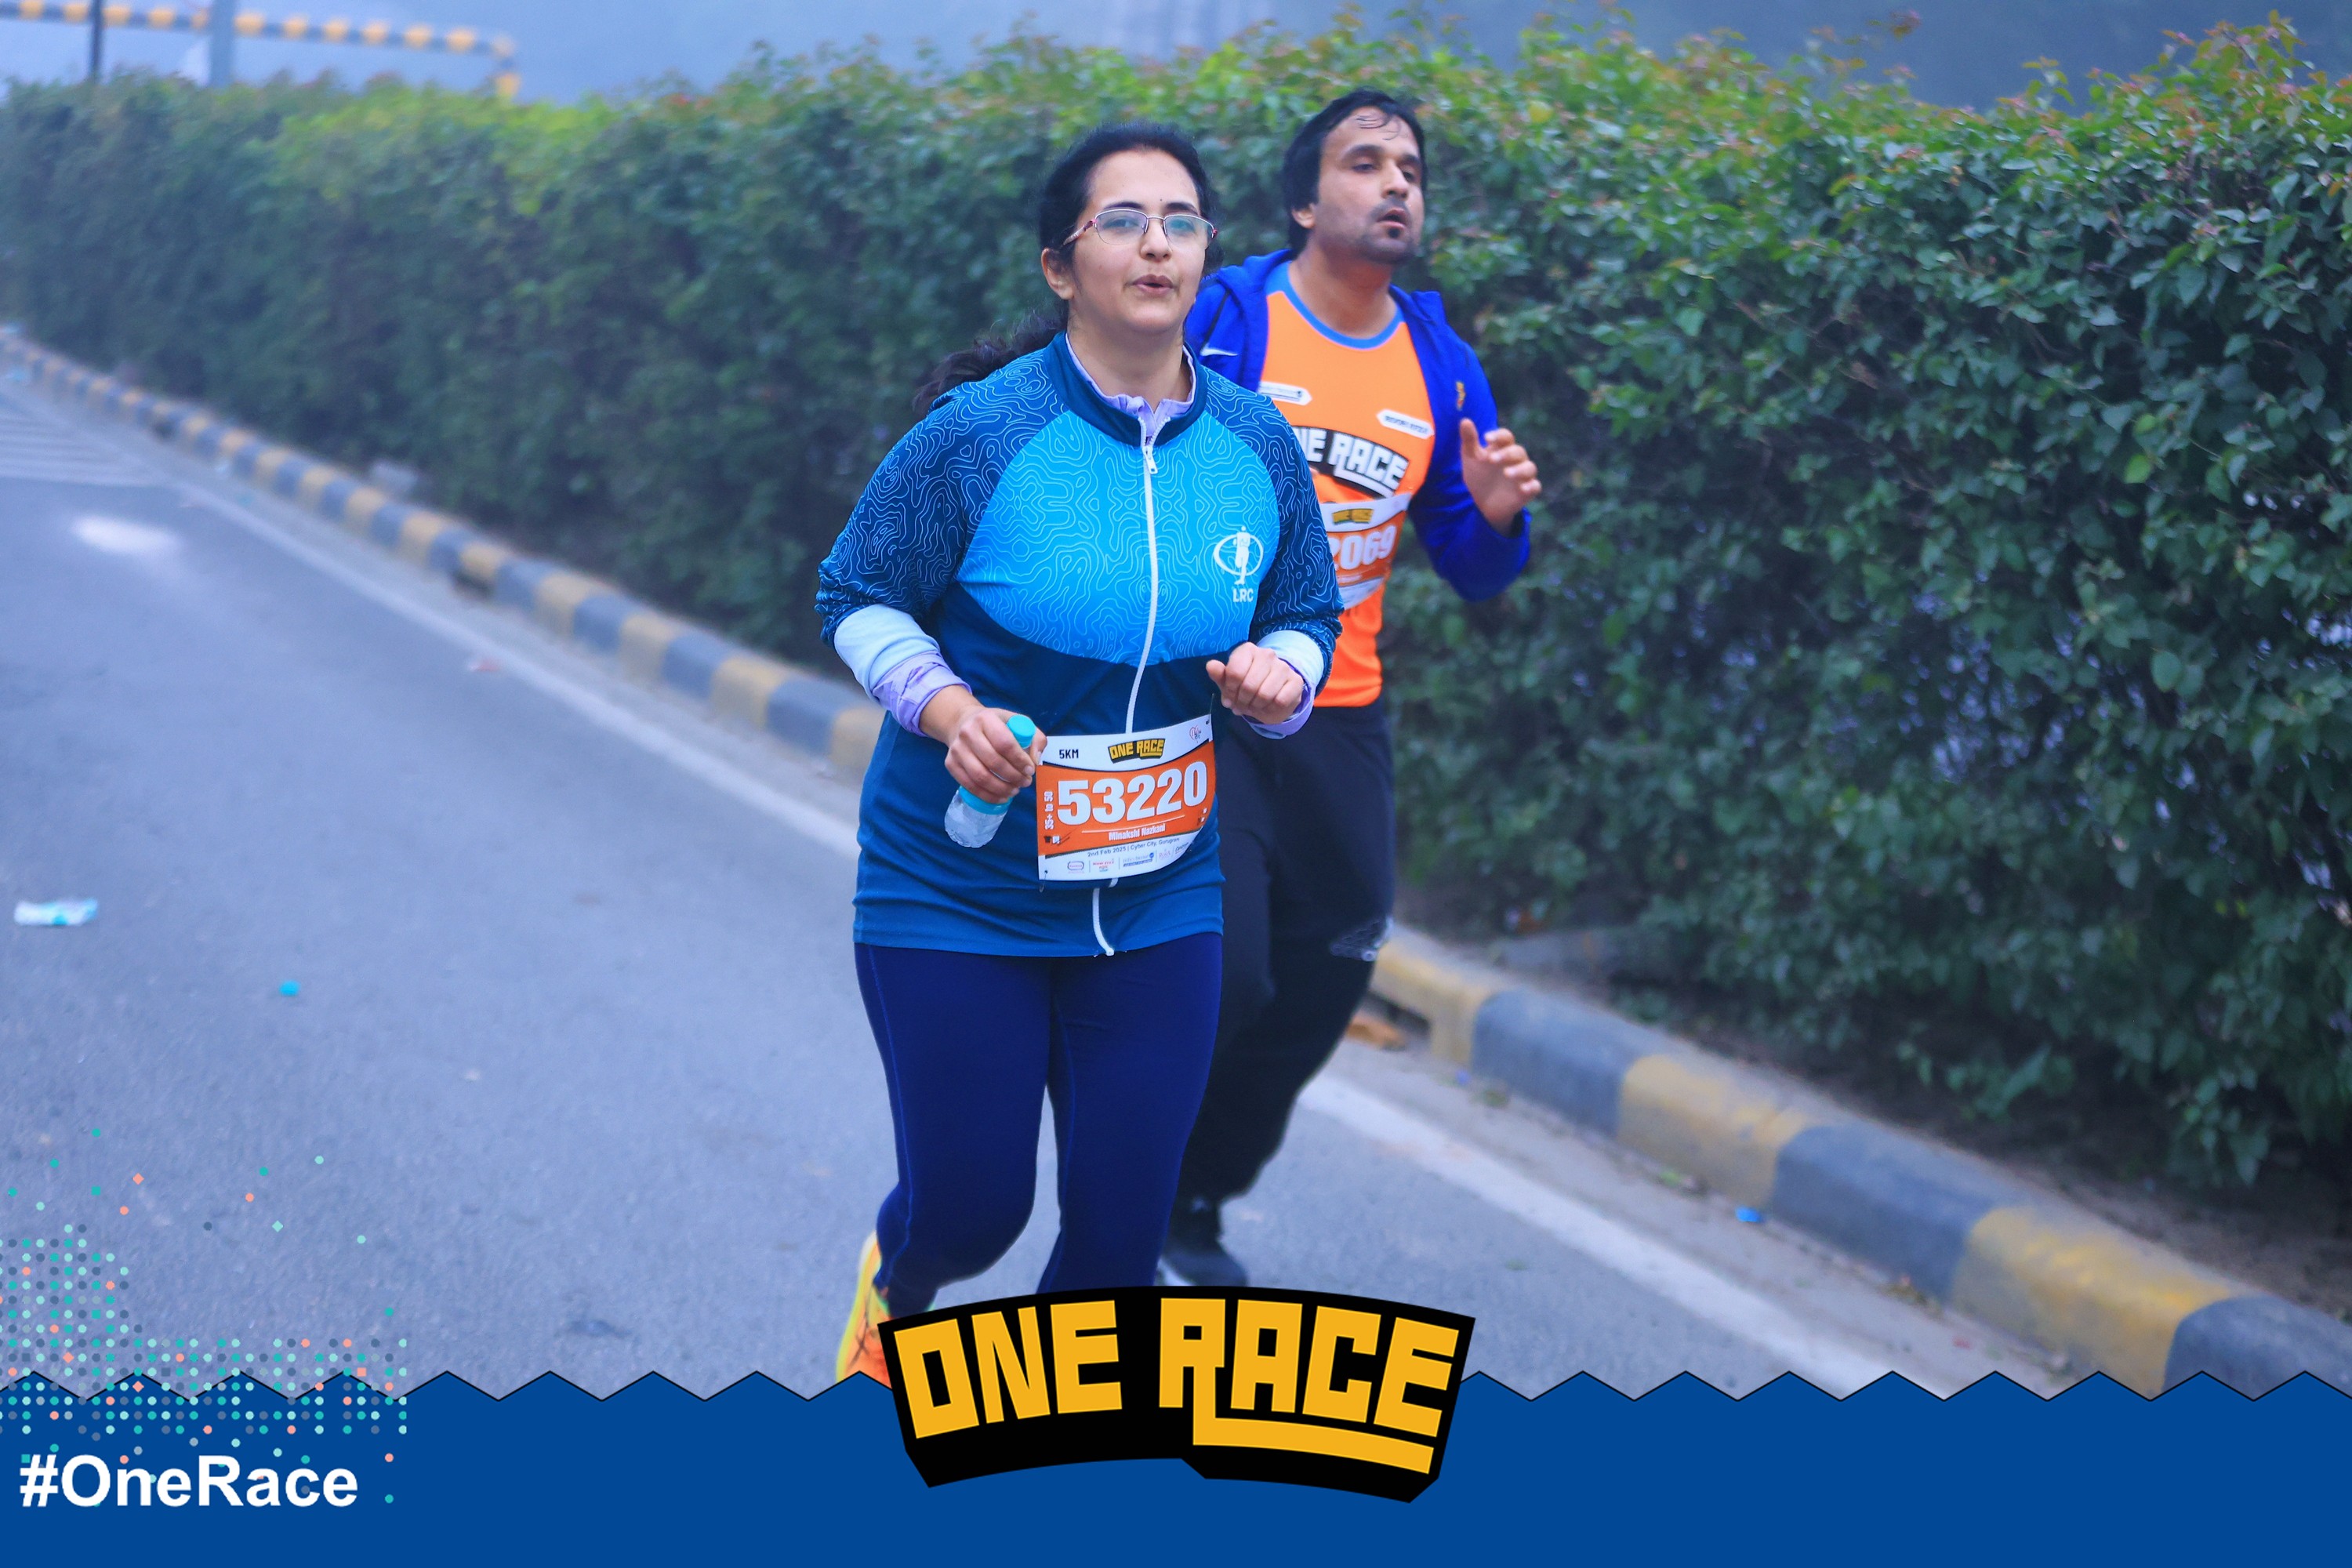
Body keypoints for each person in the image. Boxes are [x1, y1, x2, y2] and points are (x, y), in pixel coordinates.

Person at [815, 122, 1343, 1384]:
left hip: (1161, 893)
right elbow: (857, 592)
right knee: (971, 1212)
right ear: (1062, 265)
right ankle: (898, 1288)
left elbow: (1307, 610)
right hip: (961, 888)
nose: (1157, 244)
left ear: (1208, 257)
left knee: (1116, 1251)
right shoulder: (981, 434)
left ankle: (1046, 1452)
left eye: (1182, 221)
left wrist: (1284, 679)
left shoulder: (1256, 442)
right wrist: (946, 709)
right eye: (1123, 220)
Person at [1163, 89, 1542, 1287]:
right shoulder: (1228, 320)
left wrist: (1497, 519)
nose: (1395, 185)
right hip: (1209, 699)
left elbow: (1472, 567)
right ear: (1302, 202)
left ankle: (1197, 1192)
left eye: (1410, 170)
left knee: (1334, 969)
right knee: (1228, 972)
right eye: (1365, 162)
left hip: (1342, 715)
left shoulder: (1441, 366)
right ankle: (1135, 1158)